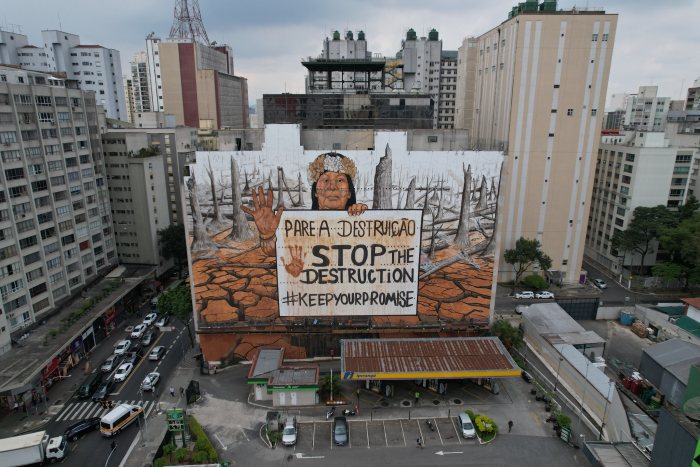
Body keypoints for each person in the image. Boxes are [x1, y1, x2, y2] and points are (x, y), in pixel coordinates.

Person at [240, 153, 368, 259]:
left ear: (350, 192)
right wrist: (267, 235)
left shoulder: (362, 220)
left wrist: (365, 218)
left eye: (340, 180)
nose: (332, 186)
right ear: (316, 192)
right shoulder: (302, 227)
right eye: (325, 180)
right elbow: (276, 252)